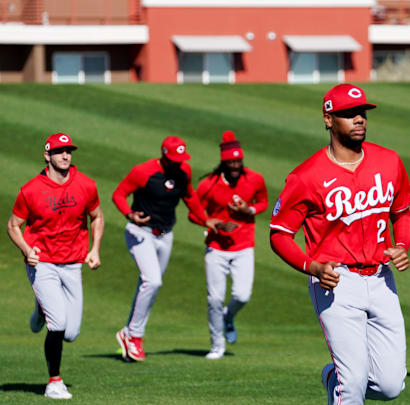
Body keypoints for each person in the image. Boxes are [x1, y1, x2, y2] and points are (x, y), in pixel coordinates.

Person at [269, 83, 410, 405]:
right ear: (328, 119)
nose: (359, 119)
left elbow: (402, 213)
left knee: (390, 386)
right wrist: (313, 267)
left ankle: (332, 377)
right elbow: (279, 234)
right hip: (336, 282)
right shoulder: (305, 177)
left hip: (381, 279)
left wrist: (402, 244)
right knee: (352, 385)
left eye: (361, 112)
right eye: (349, 114)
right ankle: (343, 383)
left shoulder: (389, 162)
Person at [7, 133, 104, 399]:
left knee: (71, 333)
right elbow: (13, 226)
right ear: (47, 156)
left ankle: (41, 308)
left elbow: (97, 216)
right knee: (58, 323)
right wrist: (27, 250)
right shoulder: (30, 190)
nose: (65, 155)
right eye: (59, 151)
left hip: (73, 263)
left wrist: (95, 249)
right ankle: (54, 382)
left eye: (68, 151)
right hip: (43, 264)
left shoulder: (85, 185)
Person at [112, 136, 222, 362]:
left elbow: (189, 196)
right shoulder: (143, 172)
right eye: (174, 159)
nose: (178, 163)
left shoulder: (183, 171)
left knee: (149, 285)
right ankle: (135, 337)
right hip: (140, 233)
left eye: (181, 159)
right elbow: (118, 194)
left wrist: (205, 220)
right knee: (152, 281)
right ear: (163, 155)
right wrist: (130, 215)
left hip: (166, 235)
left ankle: (128, 332)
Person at [192, 131, 268, 360]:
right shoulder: (208, 185)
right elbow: (193, 212)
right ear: (223, 162)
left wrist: (249, 210)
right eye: (231, 162)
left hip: (244, 246)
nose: (235, 165)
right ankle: (217, 346)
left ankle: (228, 317)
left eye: (238, 161)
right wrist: (210, 222)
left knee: (242, 296)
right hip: (216, 248)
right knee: (214, 299)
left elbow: (264, 202)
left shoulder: (254, 179)